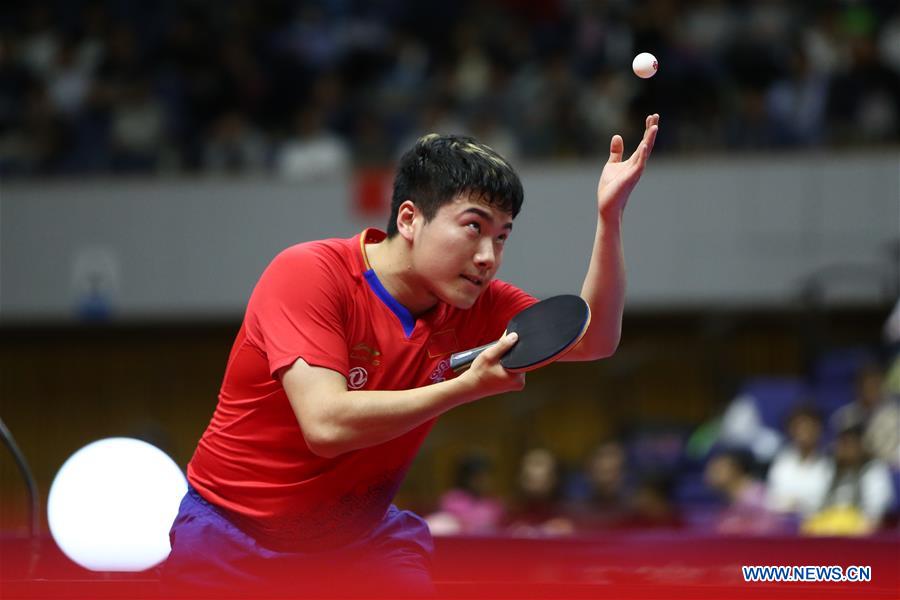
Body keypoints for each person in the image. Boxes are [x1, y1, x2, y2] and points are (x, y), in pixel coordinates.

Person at [162, 115, 660, 597]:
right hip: (231, 537)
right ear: (409, 218)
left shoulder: (472, 303)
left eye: (502, 236)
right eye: (473, 227)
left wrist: (609, 217)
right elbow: (327, 425)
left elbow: (594, 340)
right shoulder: (310, 275)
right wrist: (464, 388)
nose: (489, 256)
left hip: (359, 544)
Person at [765, 406, 832, 518]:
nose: (803, 433)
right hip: (783, 524)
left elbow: (828, 501)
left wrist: (800, 505)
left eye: (808, 427)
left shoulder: (829, 463)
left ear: (818, 429)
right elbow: (771, 499)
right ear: (791, 430)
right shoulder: (782, 462)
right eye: (798, 427)